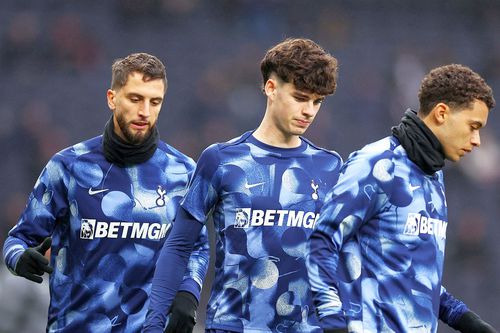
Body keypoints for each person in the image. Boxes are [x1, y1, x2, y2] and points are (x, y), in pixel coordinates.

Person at [142, 38, 341, 332]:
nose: (309, 111)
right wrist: (154, 322)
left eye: (317, 102)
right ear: (271, 88)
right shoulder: (221, 160)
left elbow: (345, 256)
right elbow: (180, 245)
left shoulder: (330, 167)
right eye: (300, 98)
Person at [2, 52, 209, 333]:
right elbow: (19, 239)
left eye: (154, 101)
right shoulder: (68, 167)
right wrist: (20, 258)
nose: (145, 112)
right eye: (135, 99)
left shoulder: (183, 172)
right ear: (112, 98)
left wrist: (188, 293)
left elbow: (196, 247)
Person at [306, 64, 497, 332]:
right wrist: (333, 322)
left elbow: (413, 273)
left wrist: (464, 318)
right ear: (442, 113)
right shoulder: (377, 164)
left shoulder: (433, 176)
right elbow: (322, 242)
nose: (477, 140)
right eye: (473, 126)